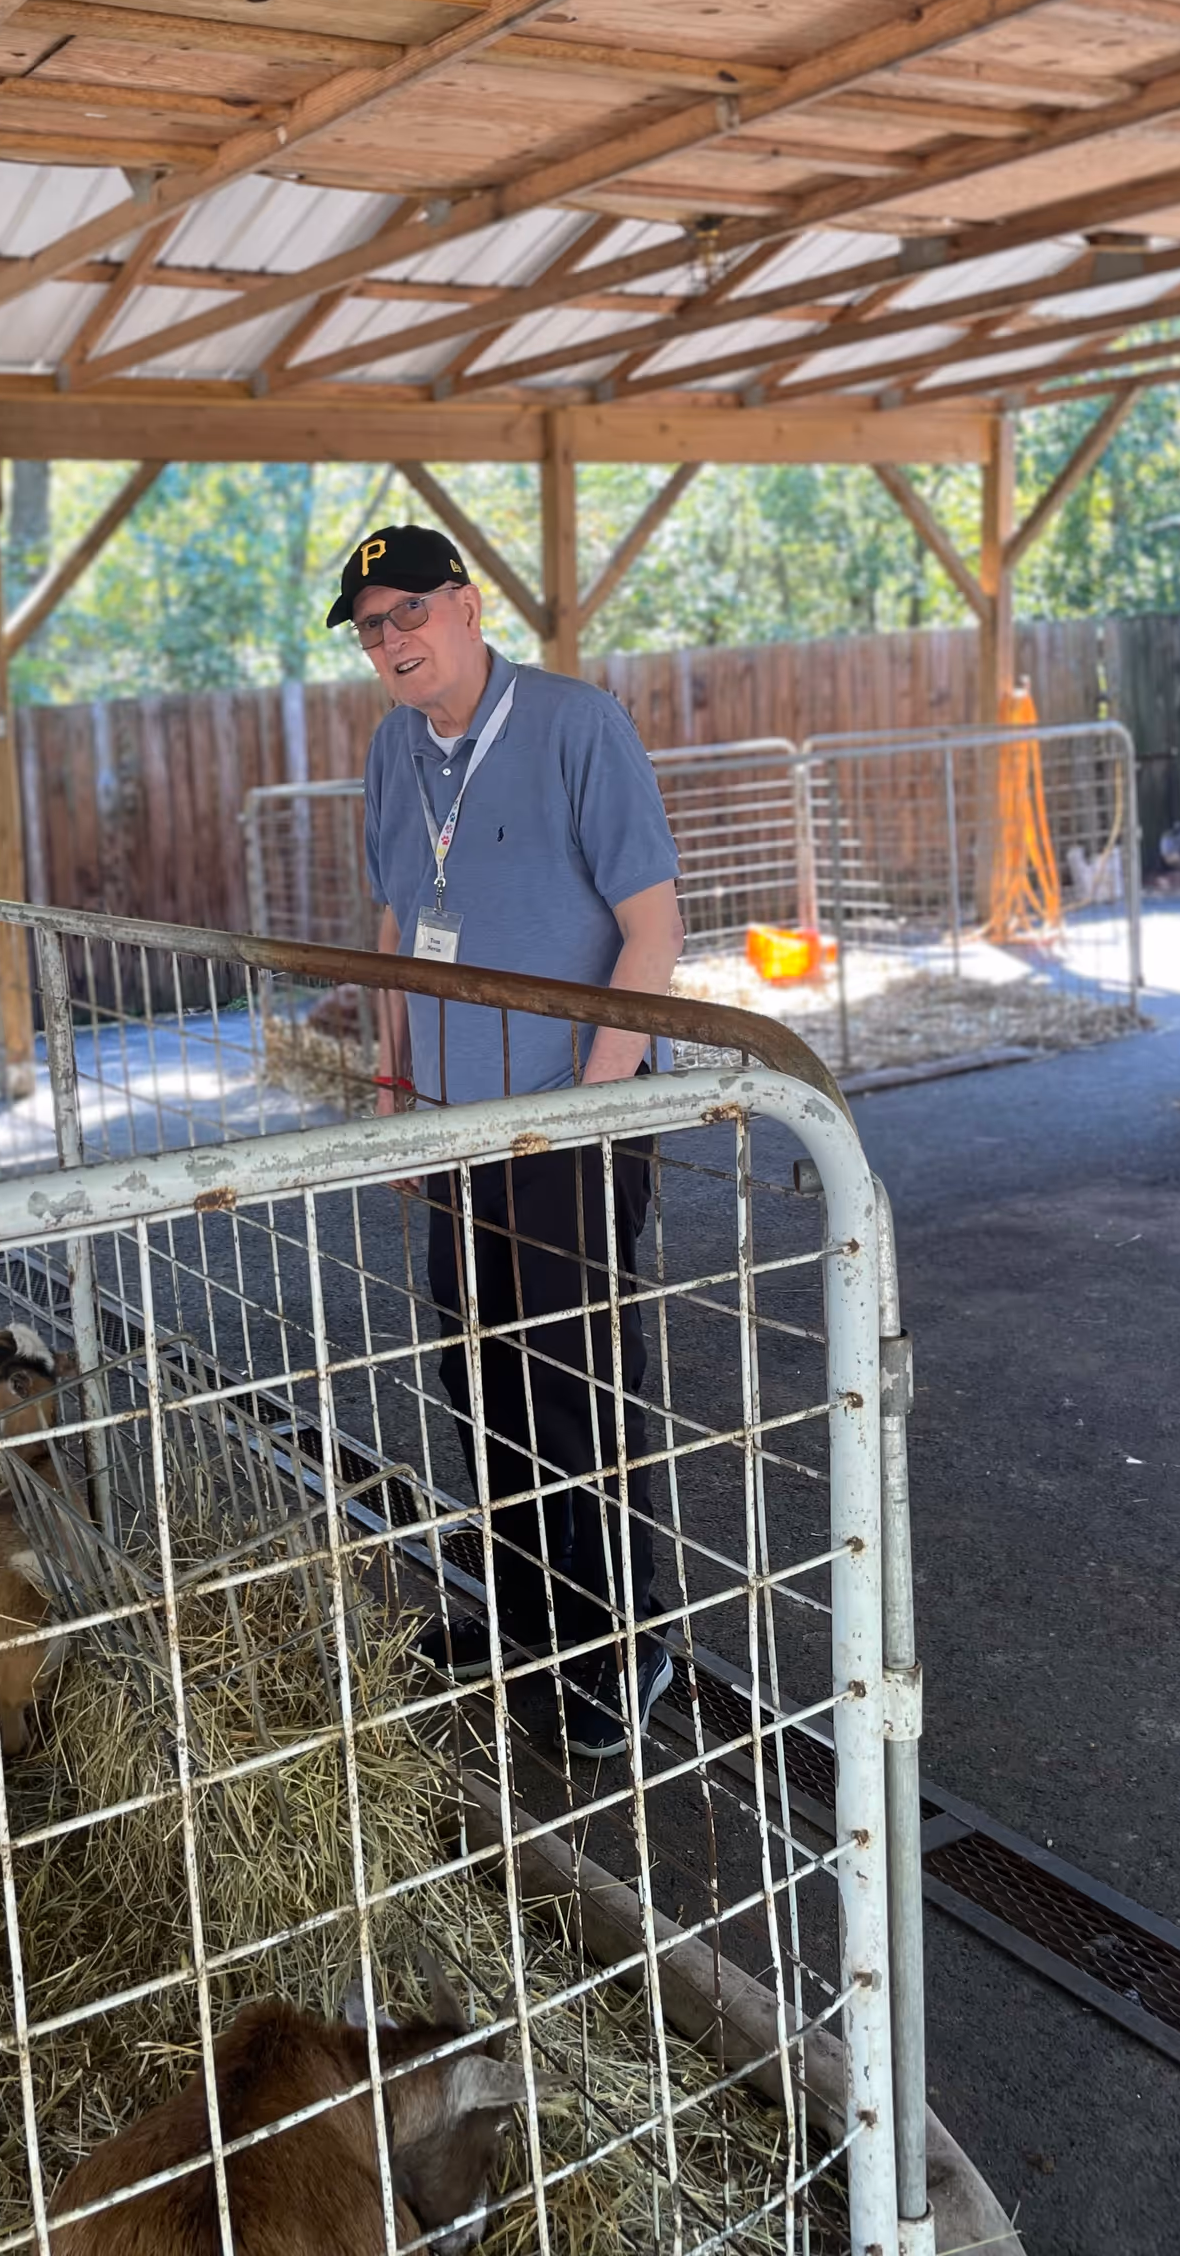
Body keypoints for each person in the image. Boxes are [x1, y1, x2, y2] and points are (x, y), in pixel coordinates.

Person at [326, 522, 684, 1763]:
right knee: (476, 1370)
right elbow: (391, 919)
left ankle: (624, 1642)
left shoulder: (578, 727)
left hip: (568, 1114)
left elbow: (654, 929)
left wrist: (593, 1100)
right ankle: (526, 1612)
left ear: (469, 607)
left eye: (408, 613)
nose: (392, 642)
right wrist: (395, 1080)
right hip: (456, 1116)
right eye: (372, 628)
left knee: (575, 1379)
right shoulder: (392, 749)